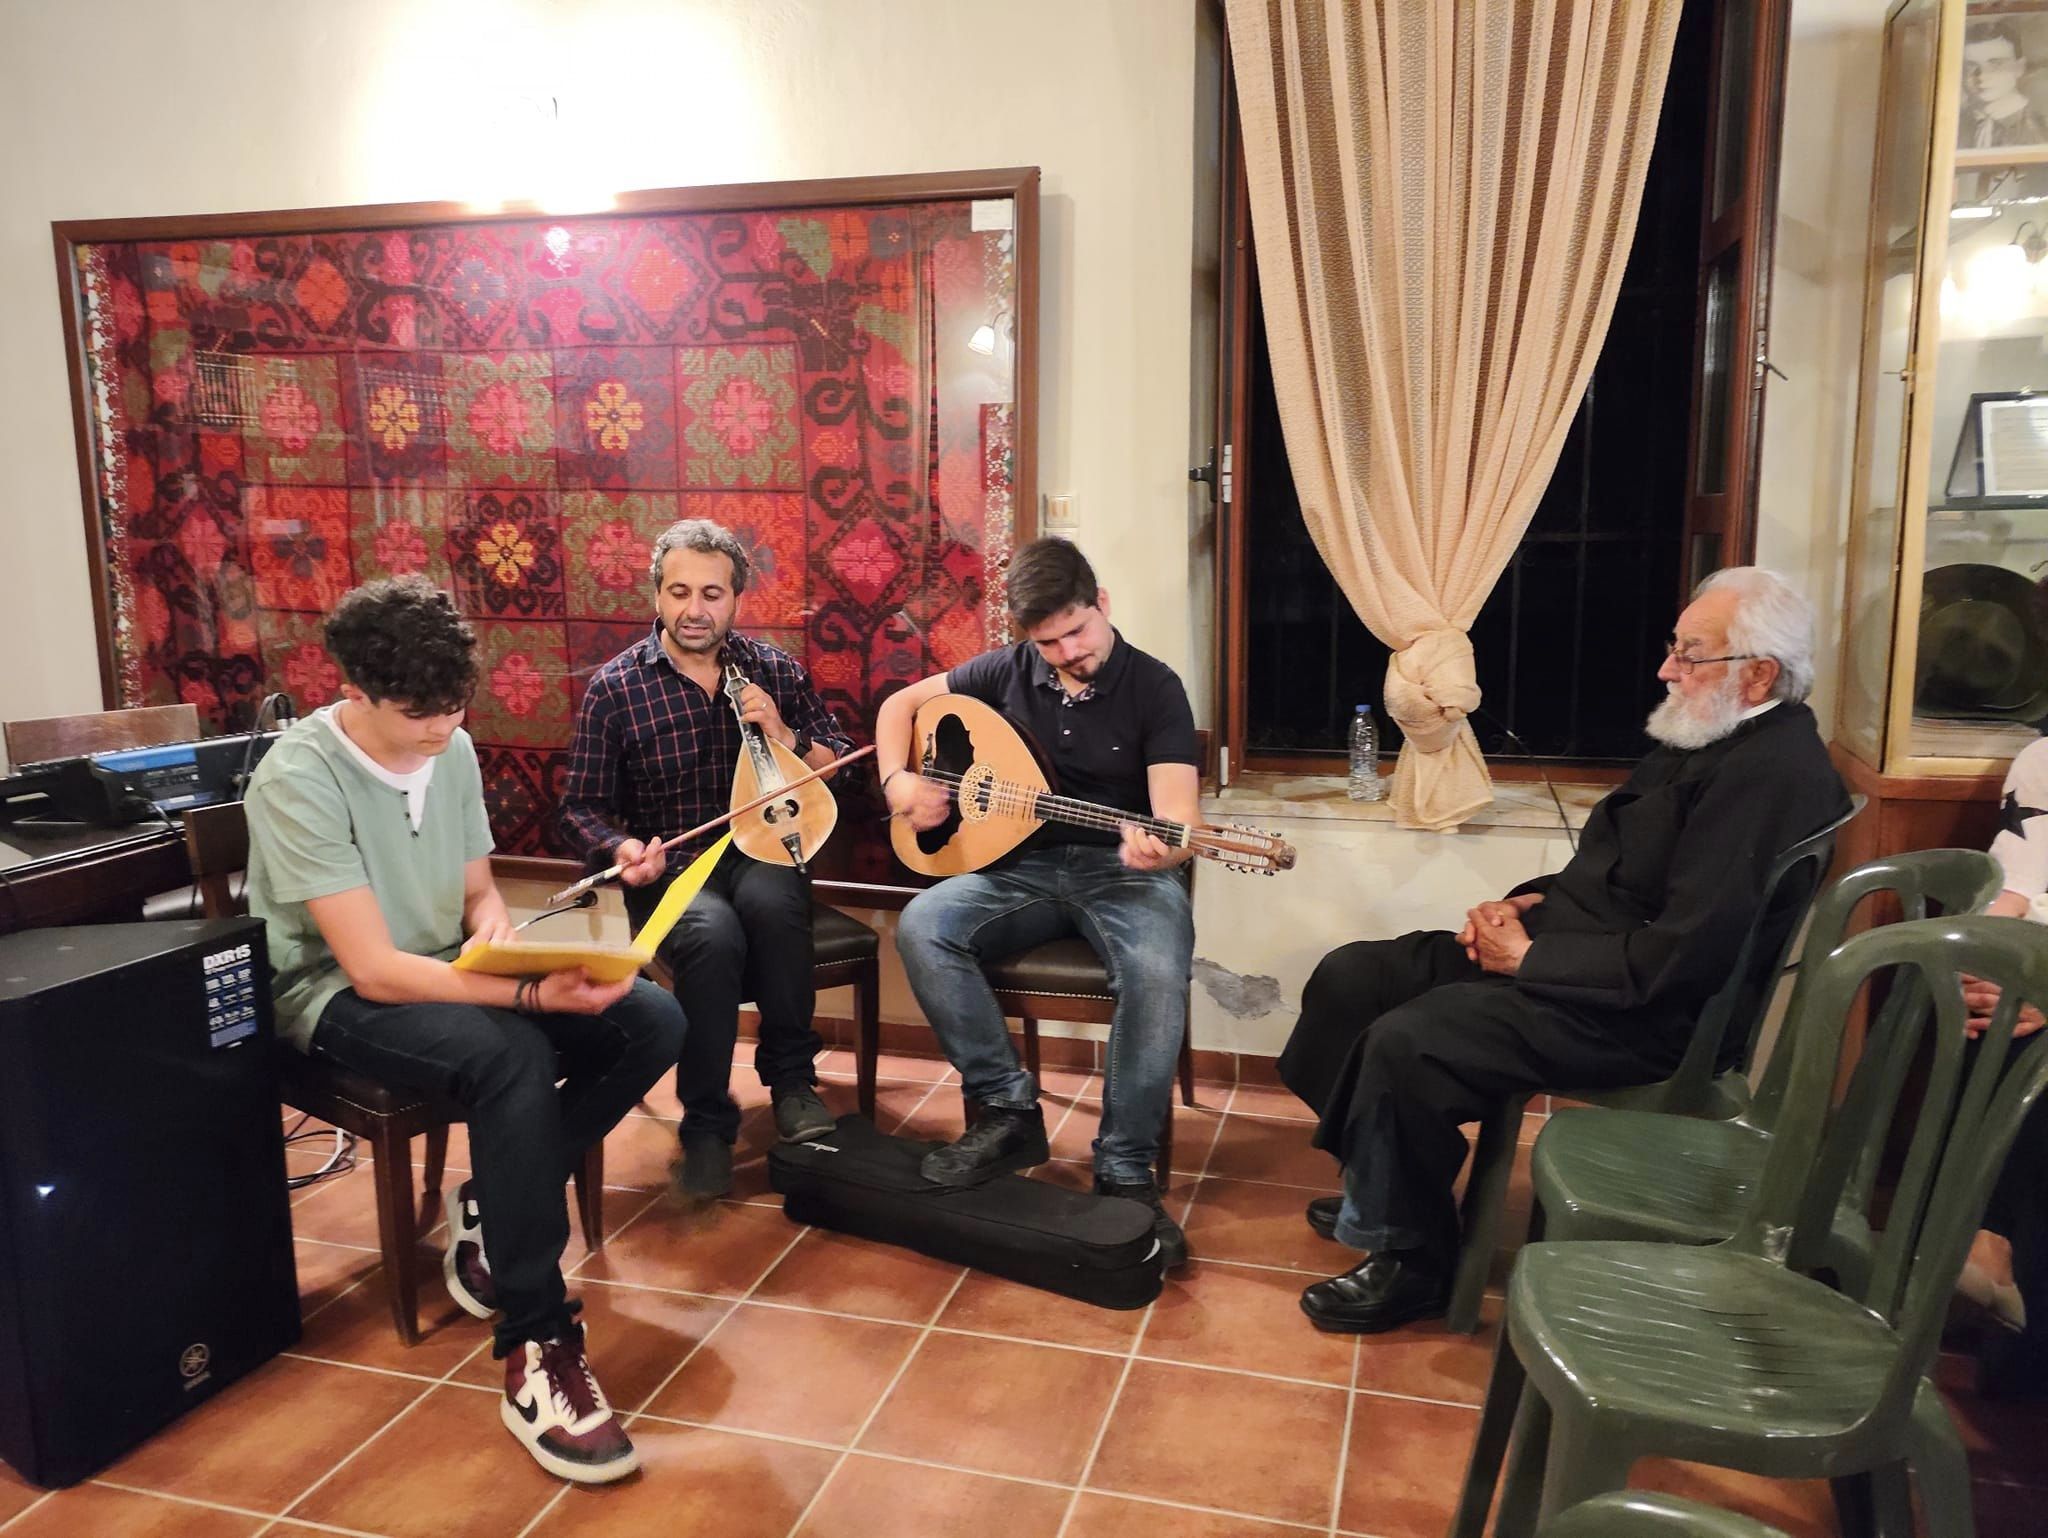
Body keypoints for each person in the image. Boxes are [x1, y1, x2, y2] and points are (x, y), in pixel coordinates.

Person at [1279, 567, 1850, 1333]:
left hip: (1640, 1013)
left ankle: (1413, 1259)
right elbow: (1626, 870)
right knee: (1353, 977)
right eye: (1673, 648)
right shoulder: (1712, 733)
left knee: (1410, 1041)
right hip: (1578, 953)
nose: (1667, 669)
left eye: (1690, 654)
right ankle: (1385, 1186)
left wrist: (1527, 961)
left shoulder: (1770, 775)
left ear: (1758, 675)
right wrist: (1527, 903)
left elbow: (1686, 954)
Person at [244, 576, 683, 1482]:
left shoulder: (454, 747)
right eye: (419, 714)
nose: (442, 729)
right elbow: (371, 969)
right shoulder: (297, 775)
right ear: (355, 690)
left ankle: (497, 1198)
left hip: (442, 966)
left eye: (455, 708)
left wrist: (499, 940)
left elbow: (478, 893)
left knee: (650, 1019)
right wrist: (525, 997)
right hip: (333, 994)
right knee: (510, 1053)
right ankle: (536, 1339)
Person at [877, 536, 1200, 1266]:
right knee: (924, 925)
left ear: (1102, 604)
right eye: (1047, 643)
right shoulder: (1007, 668)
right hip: (1019, 866)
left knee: (1156, 970)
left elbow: (1178, 819)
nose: (1066, 654)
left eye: (1077, 633)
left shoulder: (1156, 688)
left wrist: (1162, 847)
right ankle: (1007, 1110)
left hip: (1125, 873)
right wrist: (899, 782)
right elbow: (901, 705)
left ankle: (1125, 1169)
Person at [560, 518, 853, 1200]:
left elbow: (839, 765)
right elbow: (578, 810)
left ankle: (792, 1083)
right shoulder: (616, 687)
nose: (695, 609)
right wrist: (620, 848)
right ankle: (706, 1122)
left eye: (712, 594)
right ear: (657, 596)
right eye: (680, 592)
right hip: (672, 867)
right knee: (713, 935)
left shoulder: (773, 670)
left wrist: (782, 732)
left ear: (736, 599)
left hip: (761, 847)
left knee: (776, 901)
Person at [1955, 735, 2048, 1398]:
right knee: (1989, 1006)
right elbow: (2012, 885)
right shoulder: (2044, 759)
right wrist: (1980, 957)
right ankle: (1984, 1243)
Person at [1961, 20, 2048, 150]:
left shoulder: (2039, 127)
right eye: (1971, 66)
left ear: (2019, 67)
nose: (1982, 76)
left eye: (1996, 64)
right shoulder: (1956, 125)